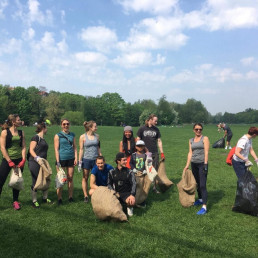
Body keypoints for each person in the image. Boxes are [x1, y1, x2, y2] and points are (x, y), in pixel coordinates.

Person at [0, 114, 26, 210]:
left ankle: (15, 201)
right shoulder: (5, 132)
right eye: (19, 120)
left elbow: (23, 146)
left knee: (16, 182)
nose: (21, 121)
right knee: (1, 180)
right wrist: (9, 161)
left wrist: (23, 159)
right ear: (14, 122)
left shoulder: (21, 132)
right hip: (7, 160)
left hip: (19, 160)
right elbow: (2, 148)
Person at [183, 123, 210, 215]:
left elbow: (206, 152)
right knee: (197, 183)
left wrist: (205, 164)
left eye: (200, 129)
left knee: (202, 185)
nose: (198, 131)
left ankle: (204, 207)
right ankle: (200, 199)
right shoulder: (191, 140)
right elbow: (190, 153)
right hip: (193, 164)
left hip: (202, 163)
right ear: (193, 130)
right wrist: (187, 165)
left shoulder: (205, 138)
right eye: (196, 129)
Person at [137, 114, 165, 193]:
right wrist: (141, 150)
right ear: (150, 119)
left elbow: (159, 141)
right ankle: (143, 187)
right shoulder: (142, 129)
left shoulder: (156, 129)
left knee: (154, 171)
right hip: (144, 154)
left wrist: (162, 153)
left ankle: (154, 188)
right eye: (155, 121)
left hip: (154, 153)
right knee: (143, 170)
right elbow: (138, 140)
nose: (156, 122)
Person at [28, 122, 51, 208]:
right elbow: (31, 150)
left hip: (43, 163)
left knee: (45, 179)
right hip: (35, 162)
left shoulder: (43, 139)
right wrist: (37, 158)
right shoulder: (36, 137)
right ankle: (34, 201)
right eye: (46, 128)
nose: (47, 129)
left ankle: (45, 198)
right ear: (43, 128)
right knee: (36, 180)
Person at [54, 119, 77, 205]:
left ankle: (70, 197)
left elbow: (75, 147)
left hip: (71, 158)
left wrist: (76, 158)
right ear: (61, 125)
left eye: (67, 124)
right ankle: (59, 198)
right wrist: (57, 161)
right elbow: (56, 149)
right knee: (61, 179)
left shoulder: (72, 135)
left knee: (70, 177)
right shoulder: (58, 135)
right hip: (61, 159)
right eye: (64, 124)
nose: (66, 125)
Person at [78, 121, 101, 203]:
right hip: (86, 160)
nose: (96, 128)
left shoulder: (97, 136)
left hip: (95, 160)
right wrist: (80, 162)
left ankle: (95, 194)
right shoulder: (82, 137)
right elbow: (81, 149)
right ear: (90, 127)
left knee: (95, 177)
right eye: (95, 126)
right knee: (85, 177)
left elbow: (98, 148)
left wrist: (100, 157)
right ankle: (85, 195)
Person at [107, 152, 136, 217]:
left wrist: (132, 195)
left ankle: (129, 207)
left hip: (127, 194)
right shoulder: (111, 172)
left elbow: (134, 184)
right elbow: (109, 184)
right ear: (118, 161)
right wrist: (113, 192)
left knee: (132, 201)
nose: (126, 162)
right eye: (124, 160)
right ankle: (120, 206)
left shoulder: (130, 172)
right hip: (116, 194)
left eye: (126, 160)